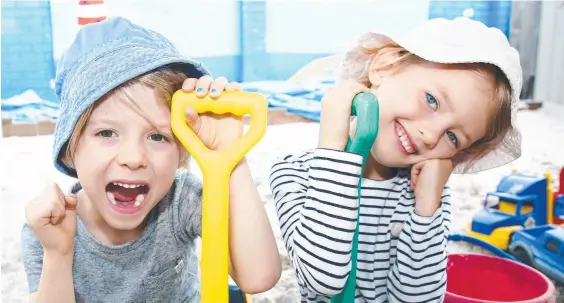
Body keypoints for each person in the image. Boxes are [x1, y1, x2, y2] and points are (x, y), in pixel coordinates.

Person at [21, 17, 281, 303]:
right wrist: (58, 253)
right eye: (107, 133)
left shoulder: (182, 200)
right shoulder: (49, 227)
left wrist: (228, 156)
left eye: (158, 137)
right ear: (70, 148)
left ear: (182, 150)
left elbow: (258, 277)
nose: (134, 159)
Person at [269, 17, 522, 302]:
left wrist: (426, 209)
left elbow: (418, 299)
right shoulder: (293, 171)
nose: (430, 136)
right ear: (384, 67)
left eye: (453, 137)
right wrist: (331, 148)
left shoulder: (424, 193)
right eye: (432, 100)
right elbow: (323, 279)